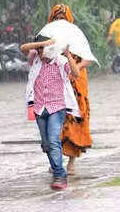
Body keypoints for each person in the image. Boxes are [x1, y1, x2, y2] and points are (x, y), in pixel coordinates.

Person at [21, 34, 81, 190]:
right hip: (39, 108)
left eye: (44, 49)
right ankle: (56, 169)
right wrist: (42, 43)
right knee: (47, 144)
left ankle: (60, 176)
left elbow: (76, 74)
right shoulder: (34, 59)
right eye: (39, 49)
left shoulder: (60, 62)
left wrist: (67, 54)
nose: (41, 52)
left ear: (51, 49)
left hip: (57, 107)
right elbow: (23, 48)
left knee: (54, 140)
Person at [47, 4, 92, 175]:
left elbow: (86, 58)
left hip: (76, 82)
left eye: (63, 18)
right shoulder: (47, 36)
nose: (60, 21)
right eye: (56, 18)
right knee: (53, 121)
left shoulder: (77, 36)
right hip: (55, 81)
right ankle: (55, 160)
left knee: (74, 119)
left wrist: (75, 69)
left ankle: (72, 162)